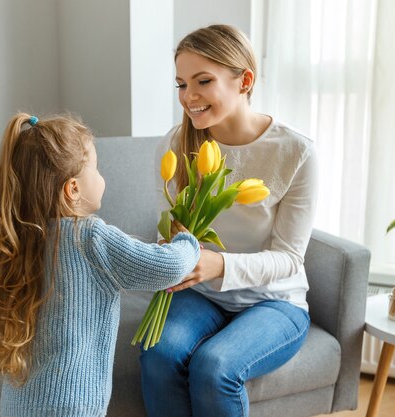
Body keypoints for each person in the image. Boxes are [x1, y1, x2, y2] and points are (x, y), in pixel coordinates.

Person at [0, 113, 200, 417]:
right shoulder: (89, 236)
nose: (102, 177)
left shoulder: (20, 239)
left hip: (17, 406)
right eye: (96, 169)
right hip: (74, 406)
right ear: (72, 188)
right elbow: (166, 268)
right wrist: (188, 244)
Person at [140, 24, 318, 417]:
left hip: (273, 301)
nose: (189, 97)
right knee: (157, 353)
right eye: (181, 84)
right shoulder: (174, 146)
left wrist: (218, 264)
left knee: (215, 367)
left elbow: (289, 258)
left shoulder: (295, 151)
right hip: (201, 295)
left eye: (203, 81)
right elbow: (167, 230)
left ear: (244, 81)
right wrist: (169, 255)